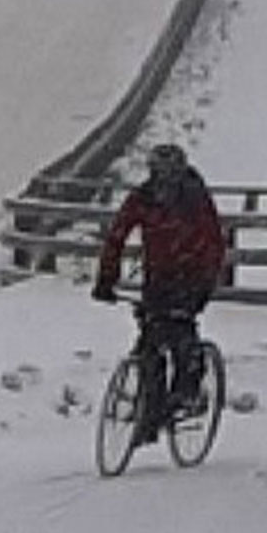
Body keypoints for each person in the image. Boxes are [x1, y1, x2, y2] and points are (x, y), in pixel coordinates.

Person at [91, 143, 225, 435]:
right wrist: (106, 278)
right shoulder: (143, 199)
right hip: (158, 280)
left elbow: (213, 241)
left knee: (180, 331)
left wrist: (206, 282)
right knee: (149, 342)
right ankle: (152, 412)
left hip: (191, 278)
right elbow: (117, 236)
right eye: (157, 174)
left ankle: (186, 393)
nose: (162, 181)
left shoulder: (194, 200)